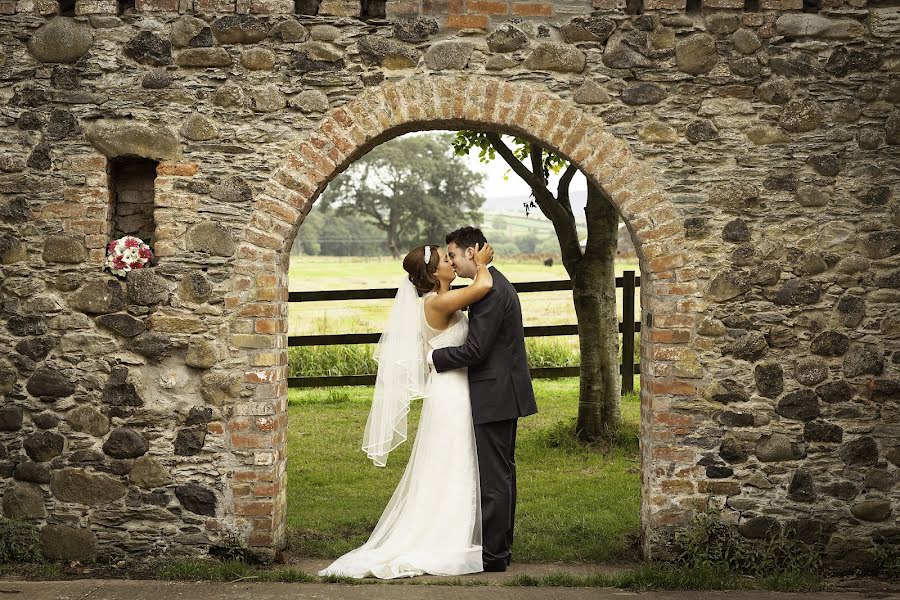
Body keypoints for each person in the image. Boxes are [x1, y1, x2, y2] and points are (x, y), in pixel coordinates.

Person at [318, 241, 495, 579]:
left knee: (454, 461)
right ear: (432, 273)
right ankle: (447, 537)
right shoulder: (437, 302)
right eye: (447, 260)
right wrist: (482, 262)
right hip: (450, 393)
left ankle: (456, 531)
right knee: (453, 461)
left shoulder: (437, 299)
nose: (453, 263)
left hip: (455, 389)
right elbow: (484, 285)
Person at [428, 226, 537, 573]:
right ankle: (500, 550)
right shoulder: (489, 284)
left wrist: (434, 359)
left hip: (495, 393)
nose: (454, 263)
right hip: (502, 391)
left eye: (455, 255)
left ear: (472, 251)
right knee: (502, 474)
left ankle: (494, 558)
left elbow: (476, 350)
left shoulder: (490, 292)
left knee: (495, 478)